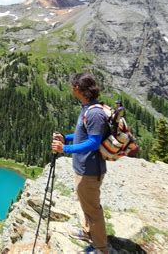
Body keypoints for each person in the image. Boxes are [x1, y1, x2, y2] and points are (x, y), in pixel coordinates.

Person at [51, 72, 109, 253]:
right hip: (83, 169)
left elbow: (94, 142)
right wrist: (66, 138)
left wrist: (64, 149)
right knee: (86, 204)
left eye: (72, 86)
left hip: (90, 171)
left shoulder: (95, 113)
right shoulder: (87, 107)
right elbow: (82, 134)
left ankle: (101, 247)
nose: (71, 88)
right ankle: (87, 232)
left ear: (77, 88)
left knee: (93, 210)